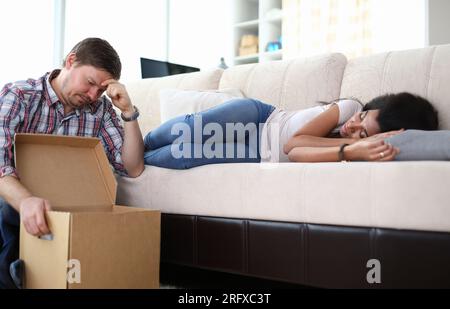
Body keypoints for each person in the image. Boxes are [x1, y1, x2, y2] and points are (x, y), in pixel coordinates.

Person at [0, 38, 144, 288]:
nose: (92, 95)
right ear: (70, 61)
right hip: (13, 199)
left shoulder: (99, 111)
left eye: (100, 90)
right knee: (7, 211)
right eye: (89, 83)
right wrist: (25, 201)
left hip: (67, 207)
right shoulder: (20, 96)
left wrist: (128, 112)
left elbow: (132, 167)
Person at [143, 92, 438, 169]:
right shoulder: (349, 106)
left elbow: (293, 152)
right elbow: (294, 140)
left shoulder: (355, 155)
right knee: (191, 128)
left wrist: (352, 149)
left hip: (257, 153)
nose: (352, 126)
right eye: (363, 117)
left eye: (362, 133)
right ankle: (140, 142)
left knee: (183, 154)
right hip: (260, 119)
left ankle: (130, 160)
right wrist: (355, 144)